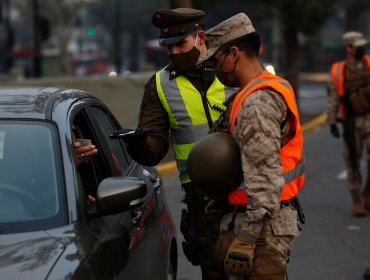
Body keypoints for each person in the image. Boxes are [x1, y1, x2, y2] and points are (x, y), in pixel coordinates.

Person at [122, 7, 235, 279]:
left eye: (179, 44)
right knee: (215, 270)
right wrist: (137, 142)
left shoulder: (231, 68)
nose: (173, 52)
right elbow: (154, 150)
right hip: (203, 201)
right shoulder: (159, 85)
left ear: (200, 37)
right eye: (166, 47)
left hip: (246, 187)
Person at [201, 13, 305, 279]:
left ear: (234, 53)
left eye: (216, 60)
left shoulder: (257, 102)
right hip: (260, 219)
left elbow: (263, 175)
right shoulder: (261, 90)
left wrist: (246, 238)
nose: (215, 69)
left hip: (260, 227)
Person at [327, 31, 370, 216]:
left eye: (361, 44)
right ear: (348, 48)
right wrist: (332, 121)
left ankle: (368, 192)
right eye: (356, 45)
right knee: (353, 160)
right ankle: (356, 199)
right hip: (351, 121)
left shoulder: (369, 64)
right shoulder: (338, 70)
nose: (360, 48)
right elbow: (333, 98)